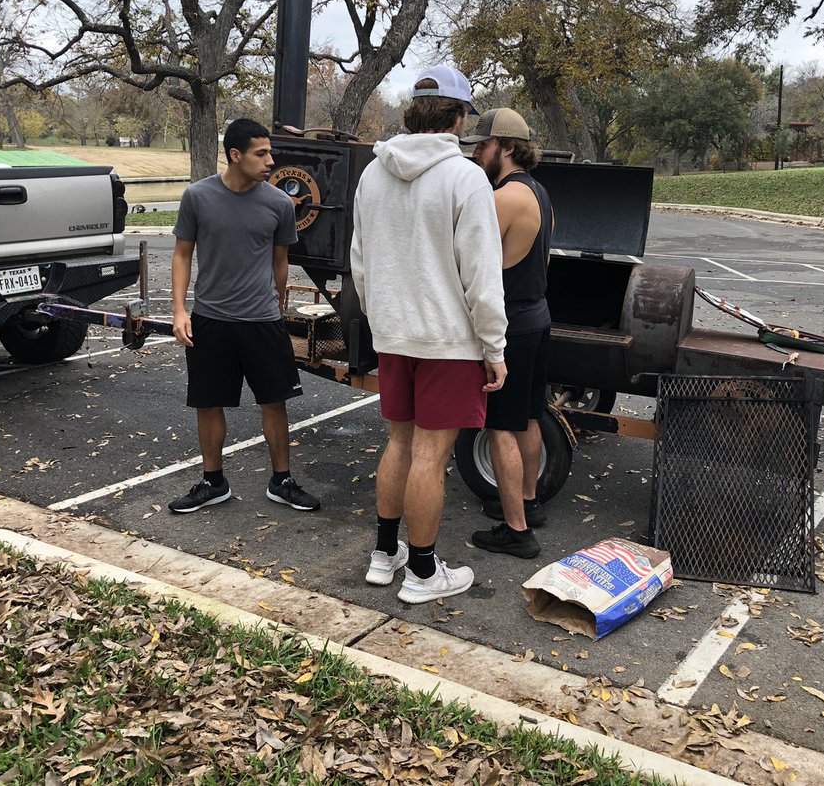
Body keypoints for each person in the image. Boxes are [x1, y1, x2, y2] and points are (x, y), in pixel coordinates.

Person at [350, 65, 508, 604]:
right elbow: (482, 277)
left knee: (398, 442)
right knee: (430, 457)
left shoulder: (373, 174)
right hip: (447, 339)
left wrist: (381, 318)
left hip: (394, 333)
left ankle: (383, 553)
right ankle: (421, 572)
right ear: (460, 117)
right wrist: (495, 348)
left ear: (411, 113)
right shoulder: (466, 178)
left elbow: (360, 262)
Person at [167, 118, 320, 514]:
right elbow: (182, 254)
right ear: (235, 155)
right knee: (208, 403)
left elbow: (280, 262)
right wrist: (179, 309)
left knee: (275, 401)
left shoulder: (279, 203)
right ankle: (212, 482)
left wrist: (278, 305)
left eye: (270, 152)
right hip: (211, 320)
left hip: (262, 321)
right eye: (261, 153)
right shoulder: (197, 197)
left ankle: (281, 481)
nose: (271, 160)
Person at [460, 108, 553, 559]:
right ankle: (529, 503)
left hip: (511, 325)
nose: (476, 151)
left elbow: (470, 265)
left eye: (483, 144)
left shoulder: (503, 198)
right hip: (537, 316)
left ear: (508, 147)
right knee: (529, 417)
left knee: (500, 426)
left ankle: (516, 530)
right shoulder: (539, 192)